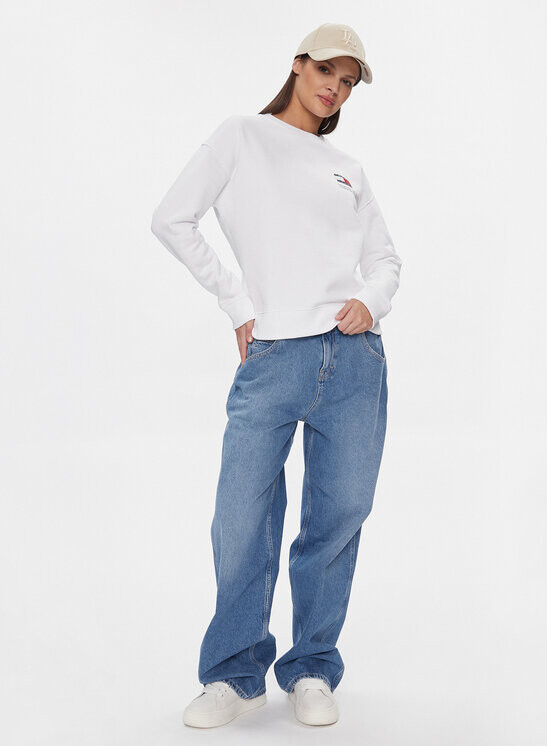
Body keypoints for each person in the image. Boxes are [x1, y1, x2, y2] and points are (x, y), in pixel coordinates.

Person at [151, 22, 403, 729]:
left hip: (353, 359)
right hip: (273, 356)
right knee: (241, 518)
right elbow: (172, 219)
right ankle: (235, 675)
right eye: (327, 71)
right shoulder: (242, 136)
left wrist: (372, 301)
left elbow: (386, 260)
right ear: (298, 65)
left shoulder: (348, 168)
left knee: (338, 517)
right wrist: (236, 303)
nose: (335, 88)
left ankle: (312, 667)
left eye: (348, 82)